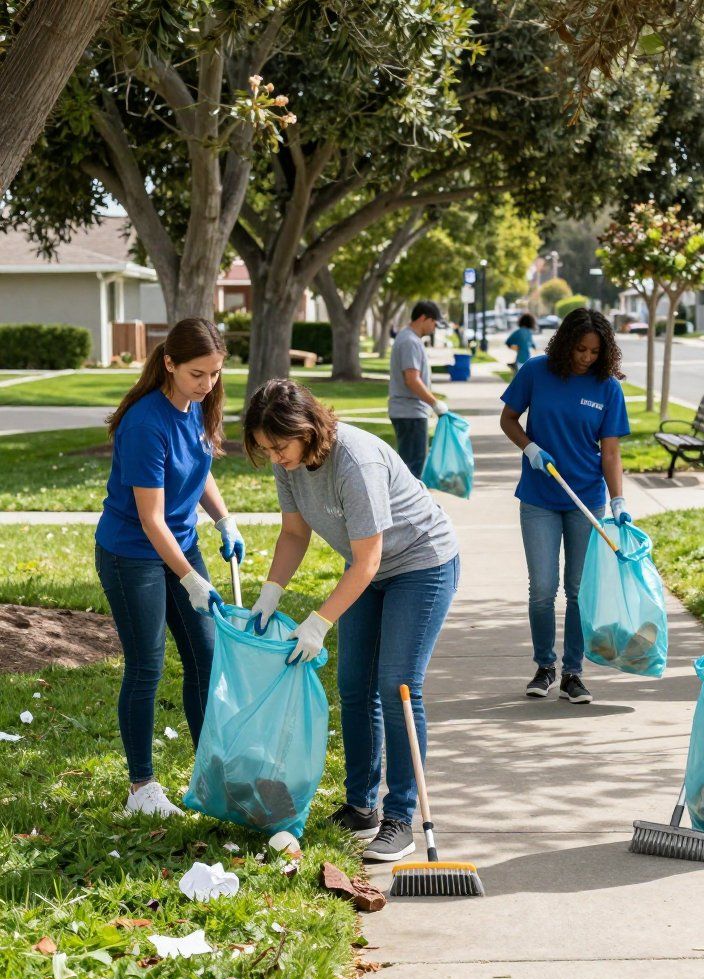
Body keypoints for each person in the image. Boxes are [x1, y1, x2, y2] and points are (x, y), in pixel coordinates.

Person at [243, 379, 459, 863]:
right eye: (266, 450)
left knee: (398, 685)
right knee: (353, 684)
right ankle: (361, 807)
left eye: (280, 446)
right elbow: (295, 532)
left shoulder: (354, 461)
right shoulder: (290, 463)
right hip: (369, 567)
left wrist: (319, 621)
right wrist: (270, 593)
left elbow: (368, 560)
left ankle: (400, 818)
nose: (276, 458)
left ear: (306, 428)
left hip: (421, 564)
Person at [95, 318, 245, 819]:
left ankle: (211, 772)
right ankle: (141, 788)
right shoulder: (145, 423)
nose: (208, 385)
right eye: (198, 374)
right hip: (131, 553)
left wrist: (225, 521)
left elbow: (199, 472)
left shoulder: (197, 408)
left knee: (206, 656)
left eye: (216, 374)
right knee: (147, 666)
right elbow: (150, 519)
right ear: (170, 364)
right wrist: (190, 578)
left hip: (179, 545)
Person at [499, 308, 630, 705]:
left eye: (594, 351)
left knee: (577, 590)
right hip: (540, 495)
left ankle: (573, 673)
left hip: (585, 499)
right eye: (580, 349)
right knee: (542, 588)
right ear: (566, 343)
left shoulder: (608, 387)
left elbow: (610, 453)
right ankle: (544, 666)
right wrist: (530, 447)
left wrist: (618, 499)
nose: (586, 357)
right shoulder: (536, 371)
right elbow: (508, 419)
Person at [388, 300, 449, 478]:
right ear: (423, 318)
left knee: (411, 464)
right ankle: (407, 505)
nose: (434, 327)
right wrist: (435, 403)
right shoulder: (410, 341)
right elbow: (412, 379)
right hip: (410, 413)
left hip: (407, 411)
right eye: (434, 322)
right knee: (413, 468)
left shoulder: (407, 338)